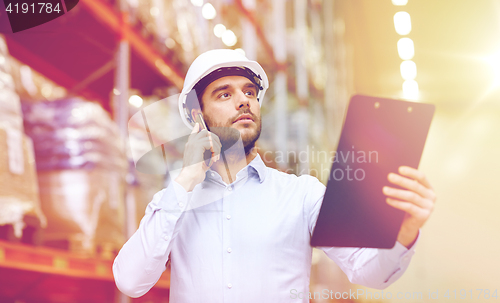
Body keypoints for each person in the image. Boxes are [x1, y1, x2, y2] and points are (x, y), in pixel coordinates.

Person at [113, 49, 436, 303]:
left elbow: (370, 274)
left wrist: (404, 230)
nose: (244, 100)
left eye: (250, 92)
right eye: (224, 94)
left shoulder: (303, 195)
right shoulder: (175, 202)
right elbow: (131, 282)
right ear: (198, 116)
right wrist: (184, 182)